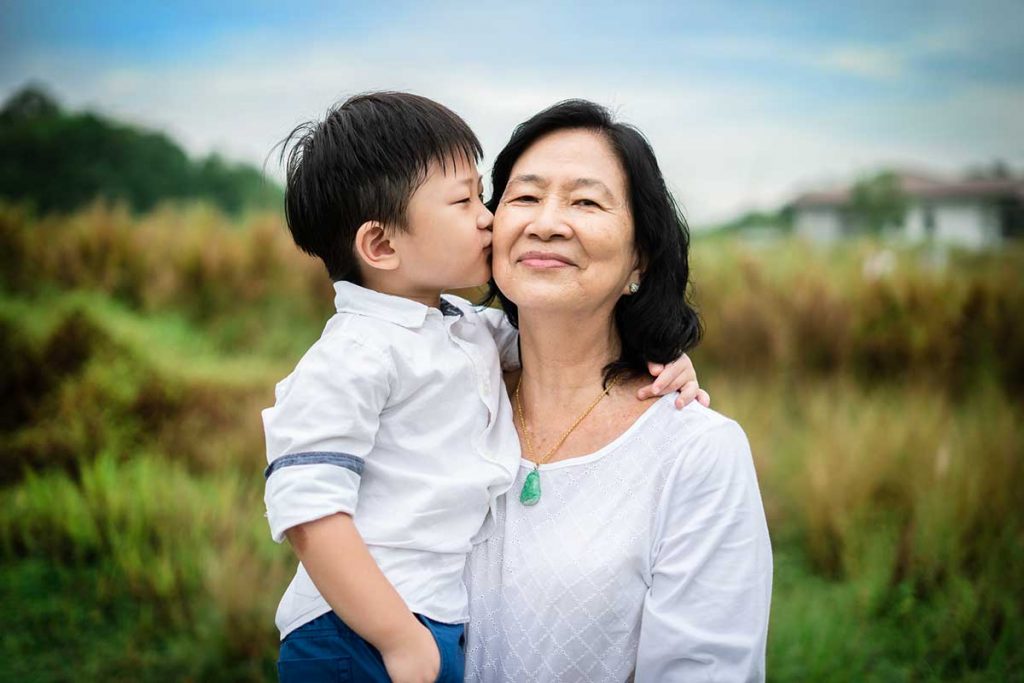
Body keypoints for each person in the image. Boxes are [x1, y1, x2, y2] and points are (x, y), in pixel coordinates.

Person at [261, 92, 704, 683]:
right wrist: (396, 637)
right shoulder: (354, 353)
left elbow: (564, 341)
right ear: (382, 246)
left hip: (431, 621)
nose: (488, 217)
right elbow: (308, 507)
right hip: (354, 632)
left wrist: (664, 360)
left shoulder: (462, 329)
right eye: (464, 200)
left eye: (483, 194)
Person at [464, 100, 773, 682]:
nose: (547, 222)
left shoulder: (694, 452)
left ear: (641, 257)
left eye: (586, 201)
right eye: (524, 197)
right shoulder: (439, 395)